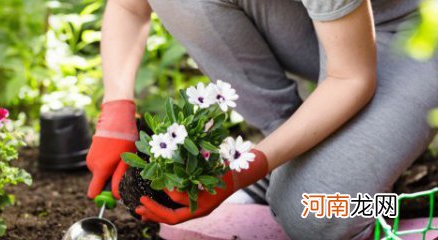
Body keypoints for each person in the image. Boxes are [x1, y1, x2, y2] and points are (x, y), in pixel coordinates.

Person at [85, 0, 438, 239]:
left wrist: (240, 172)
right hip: (329, 28)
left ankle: (402, 201)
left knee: (314, 211)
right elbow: (130, 6)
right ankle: (288, 162)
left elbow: (351, 78)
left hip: (415, 34)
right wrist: (116, 112)